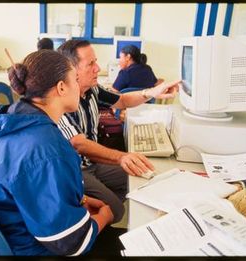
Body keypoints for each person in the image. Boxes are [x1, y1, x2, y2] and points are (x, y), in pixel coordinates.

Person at [0, 49, 114, 255]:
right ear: (62, 87)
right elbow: (71, 243)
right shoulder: (49, 150)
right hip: (26, 248)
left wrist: (79, 200)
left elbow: (25, 186)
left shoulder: (9, 122)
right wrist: (104, 217)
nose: (79, 85)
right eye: (75, 79)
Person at [57, 40, 179, 223]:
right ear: (71, 70)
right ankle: (87, 217)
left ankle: (99, 201)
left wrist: (152, 92)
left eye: (95, 61)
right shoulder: (61, 99)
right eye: (90, 64)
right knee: (117, 211)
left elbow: (121, 100)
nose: (97, 68)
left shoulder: (92, 90)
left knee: (147, 175)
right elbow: (78, 143)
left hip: (93, 163)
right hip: (76, 170)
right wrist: (121, 157)